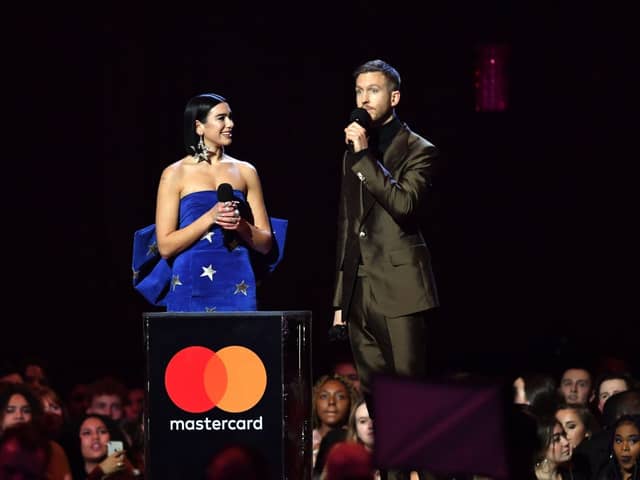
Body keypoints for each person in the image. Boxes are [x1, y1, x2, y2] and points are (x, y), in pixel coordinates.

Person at [331, 58, 439, 480]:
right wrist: (340, 298)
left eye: (372, 91)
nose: (364, 99)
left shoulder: (419, 150)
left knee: (411, 396)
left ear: (393, 97)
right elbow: (346, 226)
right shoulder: (354, 153)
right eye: (359, 91)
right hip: (360, 291)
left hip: (401, 286)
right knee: (377, 400)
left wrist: (363, 158)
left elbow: (404, 205)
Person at [132, 92, 286, 312]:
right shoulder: (174, 173)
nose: (230, 124)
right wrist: (210, 217)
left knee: (238, 347)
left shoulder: (246, 171)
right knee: (192, 347)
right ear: (199, 127)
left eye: (230, 117)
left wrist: (241, 225)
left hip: (237, 279)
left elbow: (265, 243)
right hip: (190, 281)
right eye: (221, 118)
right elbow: (165, 247)